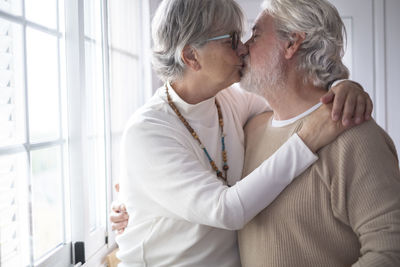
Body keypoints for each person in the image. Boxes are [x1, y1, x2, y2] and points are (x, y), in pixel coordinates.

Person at [112, 0, 373, 266]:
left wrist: (341, 84)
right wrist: (309, 138)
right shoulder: (148, 131)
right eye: (231, 39)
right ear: (191, 56)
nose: (243, 48)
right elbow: (226, 210)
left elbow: (294, 101)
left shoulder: (229, 102)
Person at [237, 0, 400, 266]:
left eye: (255, 35)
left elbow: (389, 250)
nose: (243, 47)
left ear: (292, 43)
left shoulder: (355, 137)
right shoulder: (249, 129)